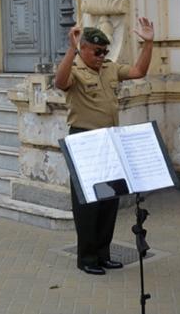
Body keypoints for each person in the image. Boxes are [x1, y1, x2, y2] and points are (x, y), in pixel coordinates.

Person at [53, 20, 155, 275]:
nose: (102, 56)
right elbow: (59, 81)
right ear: (83, 49)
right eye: (97, 52)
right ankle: (86, 258)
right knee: (88, 205)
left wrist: (149, 43)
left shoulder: (109, 68)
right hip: (84, 140)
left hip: (110, 141)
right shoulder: (74, 69)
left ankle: (103, 254)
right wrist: (71, 50)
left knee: (109, 201)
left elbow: (138, 72)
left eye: (104, 52)